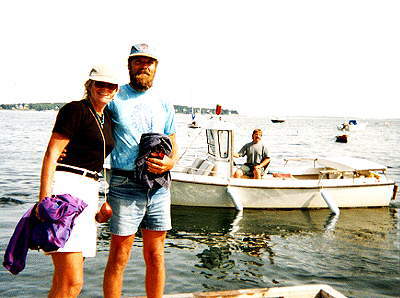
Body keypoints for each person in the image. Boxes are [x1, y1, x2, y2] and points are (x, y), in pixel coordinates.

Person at [103, 43, 178, 298]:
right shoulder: (114, 97)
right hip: (124, 185)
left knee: (155, 255)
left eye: (149, 62)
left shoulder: (164, 102)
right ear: (129, 66)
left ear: (155, 68)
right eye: (138, 61)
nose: (143, 66)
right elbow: (92, 131)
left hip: (159, 186)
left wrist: (171, 163)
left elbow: (172, 141)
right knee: (119, 256)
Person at [38, 64, 119, 297]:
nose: (105, 88)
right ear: (90, 85)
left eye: (110, 85)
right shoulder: (75, 110)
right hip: (66, 189)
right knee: (72, 282)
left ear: (116, 90)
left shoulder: (108, 117)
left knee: (63, 279)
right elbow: (52, 154)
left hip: (89, 190)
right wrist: (44, 201)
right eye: (99, 83)